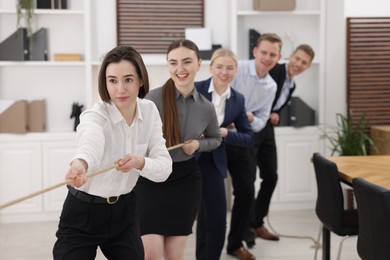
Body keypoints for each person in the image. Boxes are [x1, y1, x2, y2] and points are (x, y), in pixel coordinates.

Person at [52, 45, 173, 260]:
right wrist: (81, 163)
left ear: (140, 80)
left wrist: (139, 162)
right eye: (112, 81)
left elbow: (164, 168)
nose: (120, 89)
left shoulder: (150, 111)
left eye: (128, 79)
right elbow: (91, 140)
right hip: (82, 214)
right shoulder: (95, 115)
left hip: (123, 214)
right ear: (105, 82)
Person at [133, 39, 222, 260]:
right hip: (150, 181)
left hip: (185, 182)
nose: (179, 69)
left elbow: (216, 139)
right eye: (173, 63)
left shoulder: (206, 107)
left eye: (186, 62)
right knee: (151, 253)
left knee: (175, 255)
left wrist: (199, 145)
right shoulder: (150, 99)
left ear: (199, 64)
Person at [244, 43, 316, 247]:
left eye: (304, 63)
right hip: (251, 126)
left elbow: (274, 103)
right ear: (289, 57)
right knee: (247, 180)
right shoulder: (273, 69)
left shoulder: (292, 84)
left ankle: (257, 221)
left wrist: (275, 113)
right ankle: (246, 227)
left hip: (267, 130)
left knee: (271, 176)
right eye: (297, 59)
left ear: (308, 67)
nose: (299, 64)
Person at [194, 48, 254, 260]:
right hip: (188, 158)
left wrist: (226, 132)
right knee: (200, 217)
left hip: (213, 159)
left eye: (230, 67)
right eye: (219, 66)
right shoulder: (195, 89)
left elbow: (248, 137)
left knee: (216, 220)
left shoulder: (237, 100)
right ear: (210, 68)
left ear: (236, 71)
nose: (224, 72)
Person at [230, 33, 282, 247]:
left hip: (246, 134)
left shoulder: (271, 86)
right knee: (243, 186)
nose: (267, 58)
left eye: (273, 54)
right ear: (255, 52)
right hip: (225, 132)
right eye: (264, 52)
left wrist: (248, 120)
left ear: (278, 58)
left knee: (257, 182)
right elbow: (221, 92)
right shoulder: (237, 68)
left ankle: (247, 230)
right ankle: (243, 233)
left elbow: (262, 118)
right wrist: (239, 115)